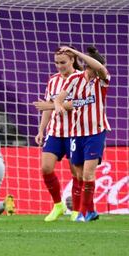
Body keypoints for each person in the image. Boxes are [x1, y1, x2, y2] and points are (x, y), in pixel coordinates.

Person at [54, 46, 110, 222]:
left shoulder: (101, 81)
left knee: (88, 174)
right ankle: (90, 211)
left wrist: (74, 51)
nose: (99, 70)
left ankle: (84, 214)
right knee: (78, 175)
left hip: (96, 132)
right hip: (76, 133)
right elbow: (59, 99)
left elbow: (101, 68)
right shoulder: (74, 79)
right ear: (88, 68)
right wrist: (58, 107)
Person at [33, 47, 84, 222]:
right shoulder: (53, 80)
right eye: (56, 63)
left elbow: (78, 103)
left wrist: (50, 105)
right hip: (55, 132)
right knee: (46, 168)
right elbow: (48, 108)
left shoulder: (82, 79)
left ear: (72, 60)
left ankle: (77, 210)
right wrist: (41, 130)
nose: (59, 66)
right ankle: (58, 205)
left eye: (63, 62)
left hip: (75, 132)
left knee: (77, 173)